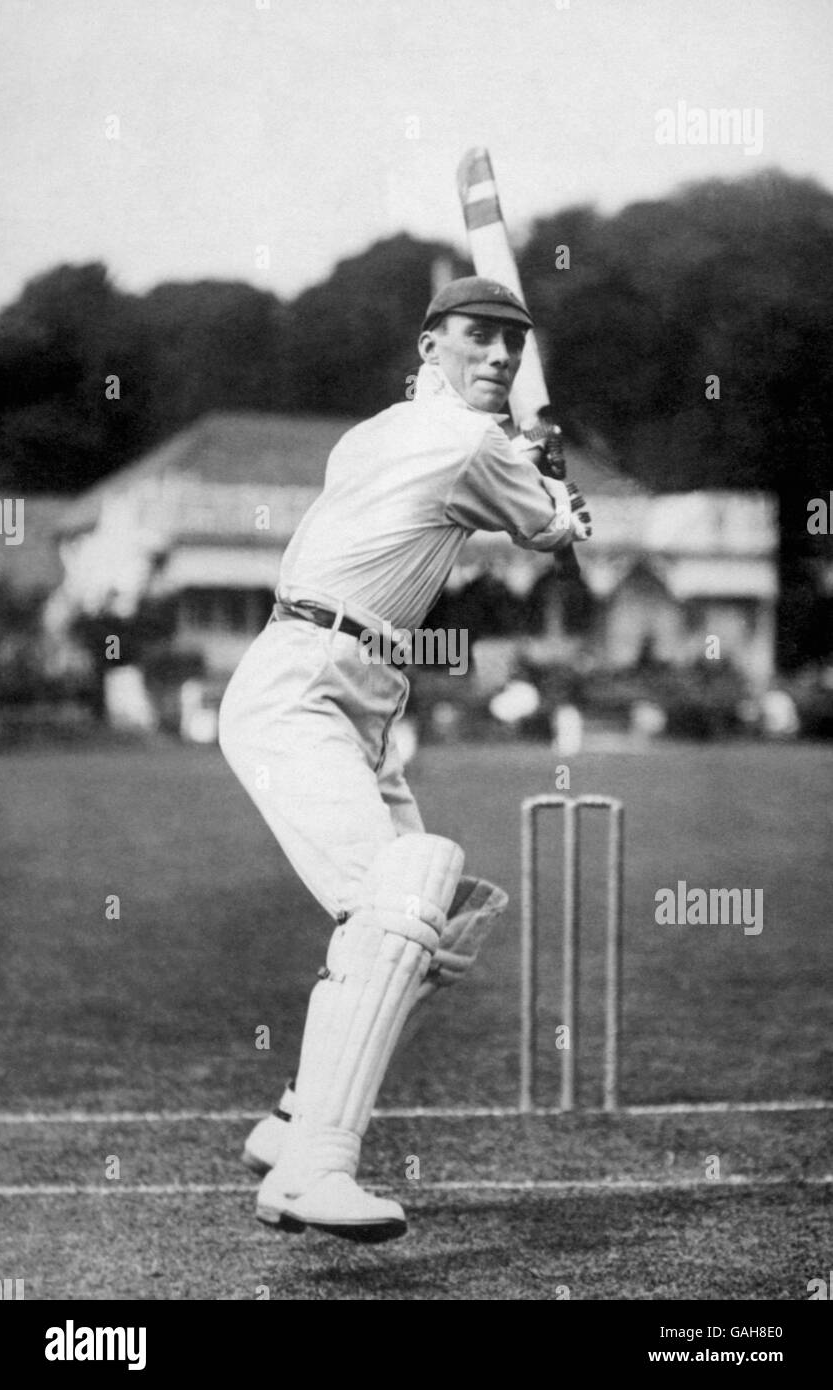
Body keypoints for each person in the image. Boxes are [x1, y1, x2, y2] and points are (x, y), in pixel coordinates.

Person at [218, 276, 590, 1241]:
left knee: (447, 922)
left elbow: (482, 495)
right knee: (406, 893)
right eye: (478, 337)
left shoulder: (375, 432)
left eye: (513, 341)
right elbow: (547, 530)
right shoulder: (472, 442)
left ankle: (294, 1117)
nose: (502, 356)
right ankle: (311, 1172)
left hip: (359, 692)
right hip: (306, 685)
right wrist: (559, 496)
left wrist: (531, 471)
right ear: (431, 344)